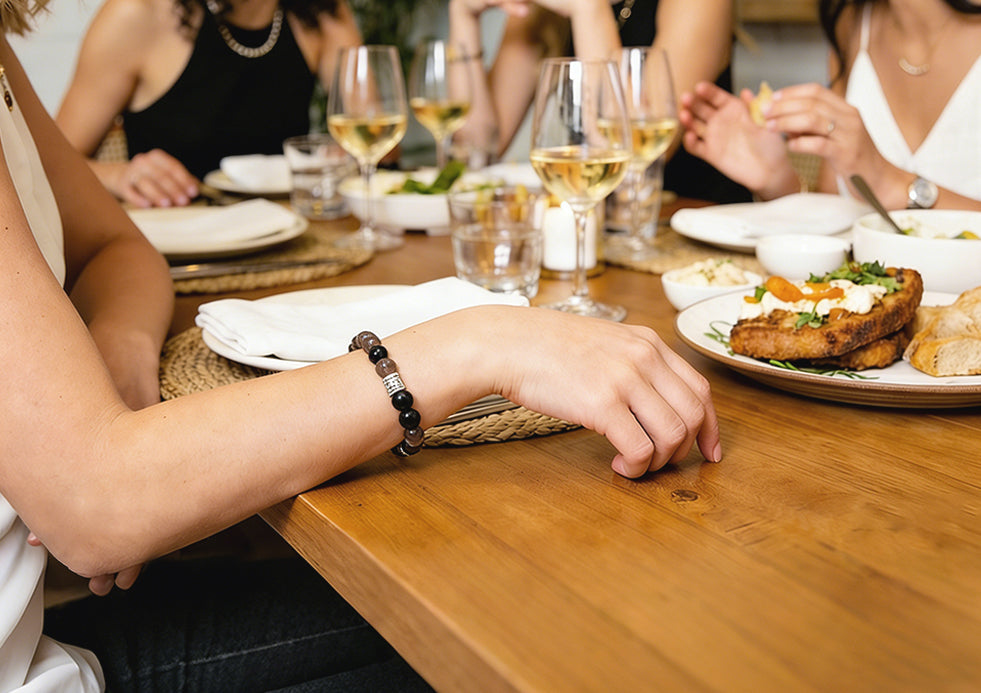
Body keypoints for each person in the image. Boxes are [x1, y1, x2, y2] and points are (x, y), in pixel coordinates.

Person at [0, 2, 722, 688]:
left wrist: (119, 349)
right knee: (556, 633)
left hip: (41, 648)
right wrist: (486, 342)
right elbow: (97, 508)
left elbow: (117, 245)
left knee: (525, 600)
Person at [54, 0, 361, 209]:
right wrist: (119, 176)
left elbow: (375, 138)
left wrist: (347, 156)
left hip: (293, 238)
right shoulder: (138, 13)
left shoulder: (318, 11)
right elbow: (51, 162)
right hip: (179, 244)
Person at [679, 0, 981, 210]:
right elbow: (838, 214)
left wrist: (894, 185)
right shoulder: (852, 23)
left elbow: (883, 186)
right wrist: (779, 181)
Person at [448, 0, 750, 202]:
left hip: (697, 241)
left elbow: (631, 153)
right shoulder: (543, 12)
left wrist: (588, 9)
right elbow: (477, 147)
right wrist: (463, 15)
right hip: (593, 235)